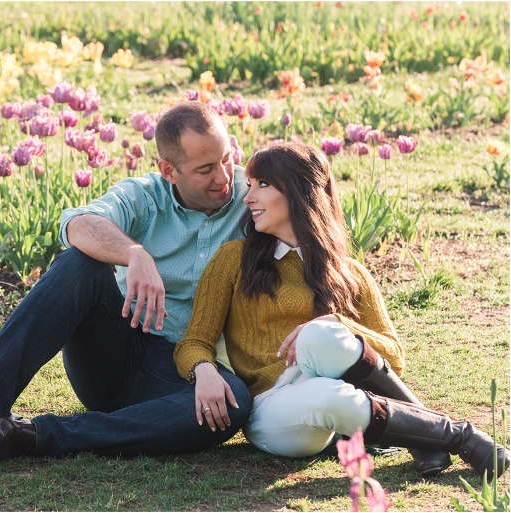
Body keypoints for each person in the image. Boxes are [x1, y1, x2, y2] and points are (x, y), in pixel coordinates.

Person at [0, 101, 253, 462]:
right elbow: (77, 223)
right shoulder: (145, 196)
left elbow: (311, 222)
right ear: (168, 171)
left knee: (232, 401)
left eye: (226, 159)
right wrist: (135, 254)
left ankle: (28, 437)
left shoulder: (251, 197)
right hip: (115, 354)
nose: (223, 177)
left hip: (186, 375)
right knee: (80, 264)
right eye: (205, 169)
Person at [173, 142, 509, 479]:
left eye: (263, 185)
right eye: (250, 186)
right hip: (273, 410)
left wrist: (341, 323)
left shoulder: (348, 272)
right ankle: (458, 436)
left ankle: (427, 439)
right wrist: (204, 370)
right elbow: (194, 342)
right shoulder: (234, 259)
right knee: (324, 387)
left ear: (298, 192)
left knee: (322, 334)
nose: (248, 198)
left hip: (337, 393)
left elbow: (393, 358)